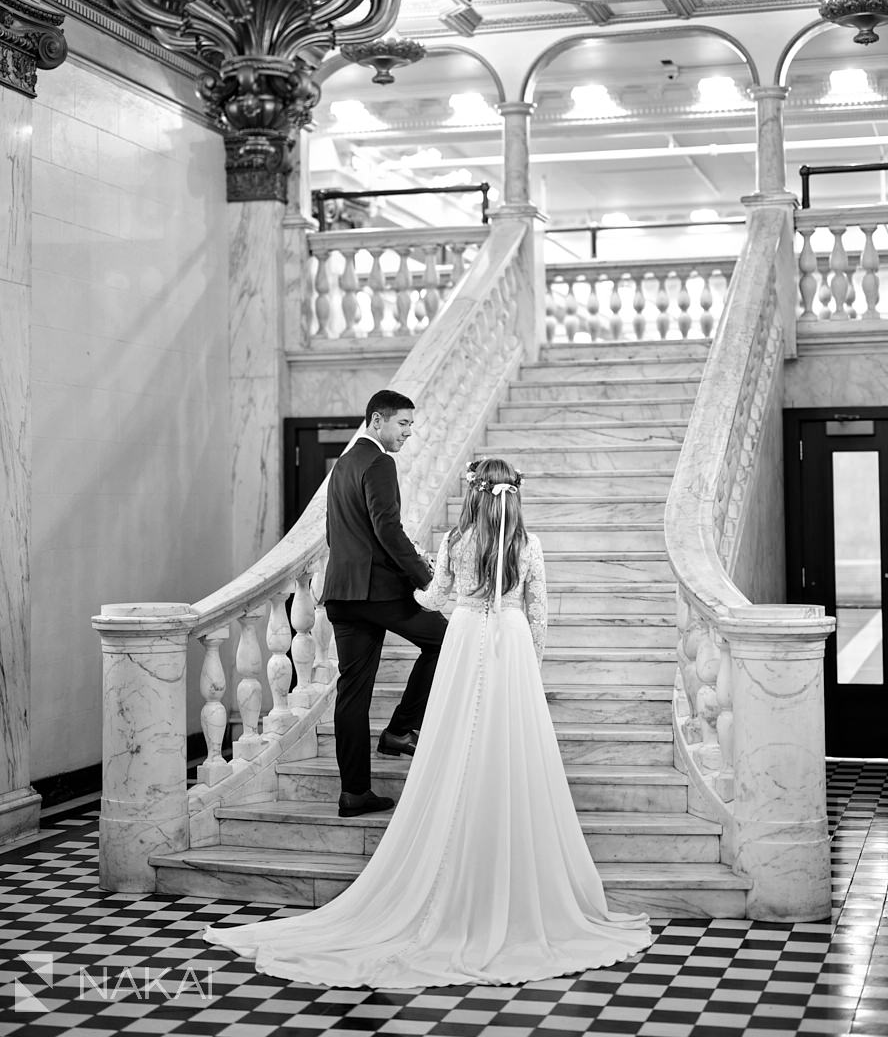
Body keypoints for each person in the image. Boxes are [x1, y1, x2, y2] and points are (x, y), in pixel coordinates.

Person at [206, 456, 653, 987]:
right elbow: (539, 611)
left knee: (456, 745)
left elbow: (433, 597)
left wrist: (423, 584)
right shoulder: (527, 546)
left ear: (471, 495)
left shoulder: (456, 543)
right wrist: (531, 662)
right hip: (509, 643)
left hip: (464, 639)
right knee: (511, 751)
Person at [322, 389, 447, 819]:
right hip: (376, 593)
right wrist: (427, 578)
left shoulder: (342, 466)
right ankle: (398, 730)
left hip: (341, 595)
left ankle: (354, 793)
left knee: (352, 696)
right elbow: (387, 530)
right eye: (404, 424)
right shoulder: (379, 462)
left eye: (411, 425)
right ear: (378, 421)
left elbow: (333, 533)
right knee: (445, 640)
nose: (409, 433)